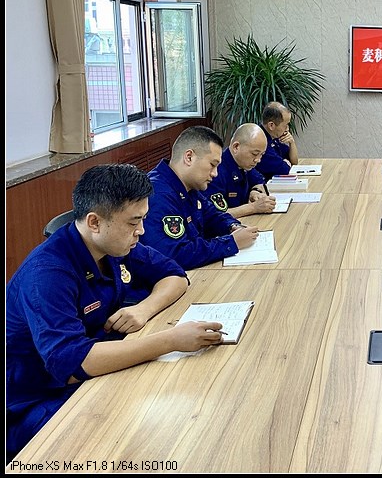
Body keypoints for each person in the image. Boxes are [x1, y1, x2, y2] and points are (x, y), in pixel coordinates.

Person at [6, 164, 225, 458]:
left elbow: (175, 275)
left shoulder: (112, 244)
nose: (141, 231)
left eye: (143, 219)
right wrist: (171, 340)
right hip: (37, 399)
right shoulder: (48, 274)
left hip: (95, 366)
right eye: (134, 222)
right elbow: (71, 364)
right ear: (95, 222)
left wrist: (144, 309)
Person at [140, 126, 259, 270]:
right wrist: (231, 243)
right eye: (212, 165)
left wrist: (232, 227)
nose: (215, 173)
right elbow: (174, 254)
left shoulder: (189, 186)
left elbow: (213, 216)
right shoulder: (157, 194)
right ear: (189, 157)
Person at [206, 123, 277, 218]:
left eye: (261, 154)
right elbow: (213, 216)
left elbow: (259, 181)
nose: (258, 160)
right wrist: (253, 208)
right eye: (254, 154)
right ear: (236, 147)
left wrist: (255, 192)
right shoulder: (216, 171)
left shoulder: (244, 164)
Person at [255, 101, 299, 179]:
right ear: (271, 125)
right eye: (285, 125)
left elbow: (294, 161)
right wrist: (285, 162)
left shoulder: (274, 138)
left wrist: (291, 142)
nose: (287, 129)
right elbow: (284, 169)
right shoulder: (260, 141)